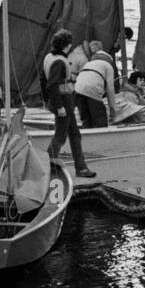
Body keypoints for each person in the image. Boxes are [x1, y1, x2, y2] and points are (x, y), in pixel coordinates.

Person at [43, 30, 95, 178]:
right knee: (60, 135)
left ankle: (81, 167)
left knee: (74, 134)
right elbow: (52, 85)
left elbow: (44, 80)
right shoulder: (59, 62)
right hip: (63, 101)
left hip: (63, 100)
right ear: (67, 45)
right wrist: (59, 107)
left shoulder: (49, 57)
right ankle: (47, 168)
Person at [74, 39, 118, 129]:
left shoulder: (89, 64)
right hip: (92, 89)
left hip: (77, 89)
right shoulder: (108, 66)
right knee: (100, 120)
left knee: (86, 119)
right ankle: (101, 140)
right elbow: (110, 89)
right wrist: (112, 108)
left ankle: (88, 138)